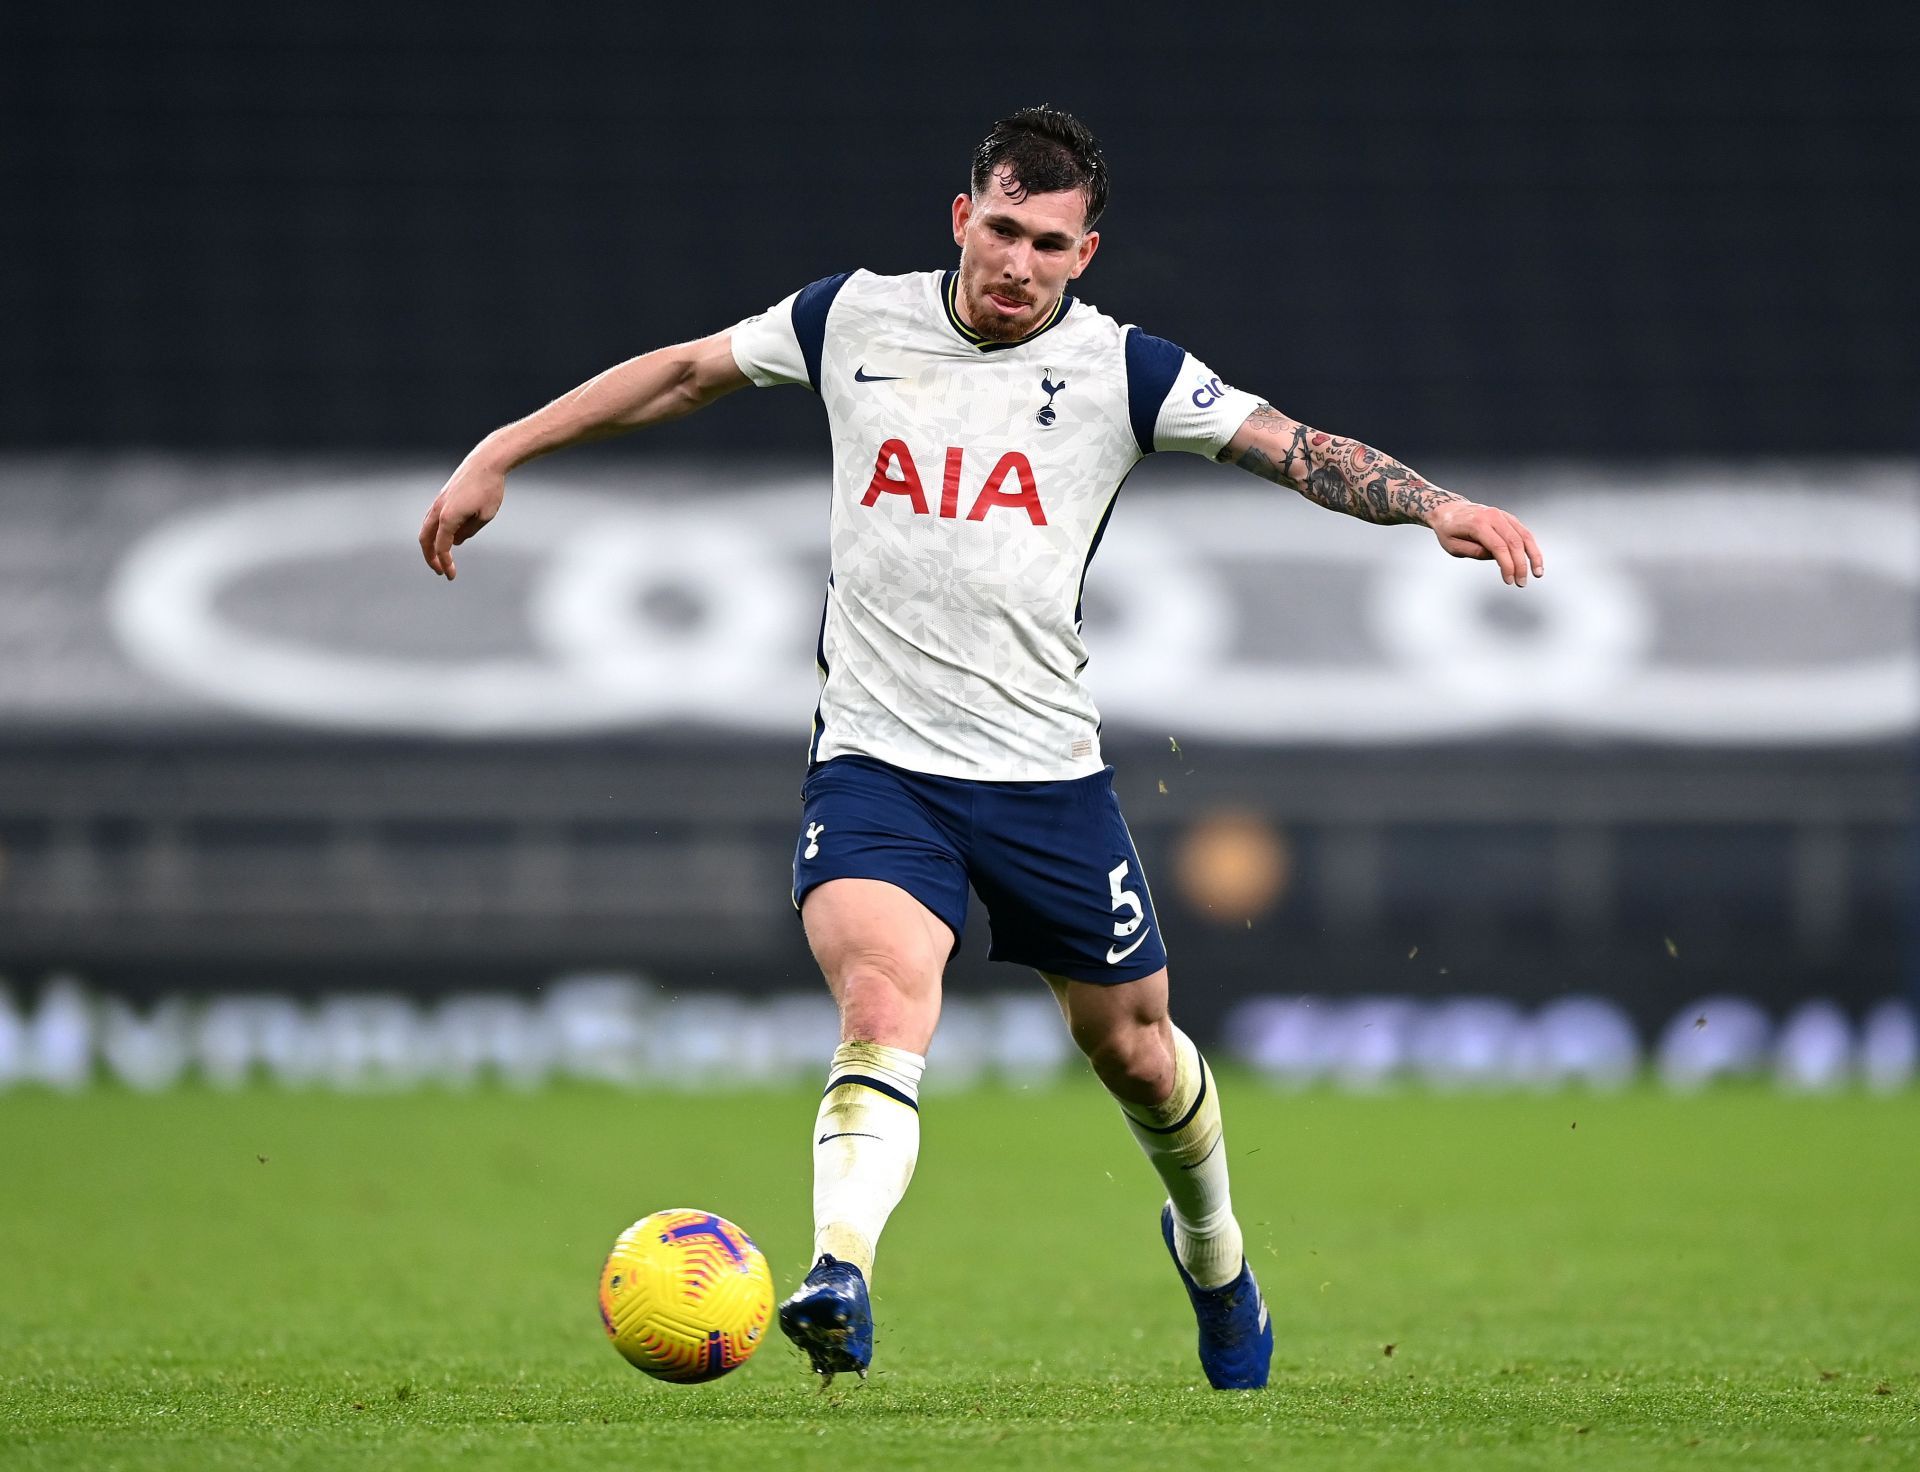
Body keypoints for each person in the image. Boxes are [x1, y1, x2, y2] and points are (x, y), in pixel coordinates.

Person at [418, 106, 1543, 1392]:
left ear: (1086, 253)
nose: (1018, 261)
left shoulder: (1128, 373)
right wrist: (503, 448)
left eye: (1048, 243)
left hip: (1047, 778)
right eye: (1001, 228)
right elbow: (682, 371)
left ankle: (1216, 1254)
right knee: (884, 1000)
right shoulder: (850, 317)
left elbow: (1292, 448)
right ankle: (840, 1268)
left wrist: (1437, 506)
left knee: (1132, 1047)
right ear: (963, 217)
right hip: (878, 765)